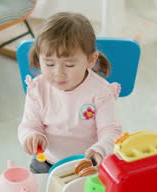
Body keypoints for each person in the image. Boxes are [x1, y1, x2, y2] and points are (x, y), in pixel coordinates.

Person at [18, 12, 122, 173]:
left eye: (69, 65)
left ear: (91, 60)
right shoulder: (37, 88)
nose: (58, 73)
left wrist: (101, 149)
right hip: (46, 162)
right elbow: (29, 125)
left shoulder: (100, 92)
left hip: (87, 164)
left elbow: (111, 131)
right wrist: (31, 135)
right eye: (50, 64)